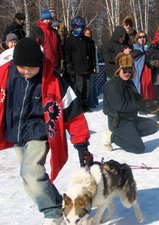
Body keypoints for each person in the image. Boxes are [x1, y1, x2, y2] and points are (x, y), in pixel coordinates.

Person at [0, 37, 93, 224]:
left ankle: (53, 212)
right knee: (29, 176)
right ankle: (59, 204)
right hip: (15, 132)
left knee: (30, 172)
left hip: (39, 132)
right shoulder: (5, 74)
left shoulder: (53, 81)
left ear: (40, 64)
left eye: (31, 68)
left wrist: (81, 145)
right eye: (22, 67)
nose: (26, 72)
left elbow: (73, 113)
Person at [102, 53, 159, 153]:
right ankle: (112, 137)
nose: (127, 73)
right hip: (119, 122)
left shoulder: (128, 82)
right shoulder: (112, 85)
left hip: (131, 119)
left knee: (154, 126)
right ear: (119, 70)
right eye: (124, 70)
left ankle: (130, 136)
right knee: (138, 148)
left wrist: (147, 104)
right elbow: (120, 106)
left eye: (129, 70)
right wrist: (139, 105)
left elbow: (136, 97)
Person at [64, 16, 95, 112]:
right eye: (77, 27)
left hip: (87, 68)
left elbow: (92, 54)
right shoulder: (69, 40)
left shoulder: (87, 41)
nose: (79, 29)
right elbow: (67, 55)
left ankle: (85, 104)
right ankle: (78, 106)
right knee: (79, 89)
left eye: (81, 27)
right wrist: (69, 67)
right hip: (76, 70)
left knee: (87, 88)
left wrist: (92, 65)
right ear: (73, 27)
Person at [83, 27, 98, 108]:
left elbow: (94, 56)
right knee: (87, 86)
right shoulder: (83, 43)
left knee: (92, 85)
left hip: (92, 66)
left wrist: (95, 66)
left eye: (89, 34)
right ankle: (88, 101)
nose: (88, 36)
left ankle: (92, 101)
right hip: (85, 67)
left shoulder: (92, 43)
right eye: (87, 34)